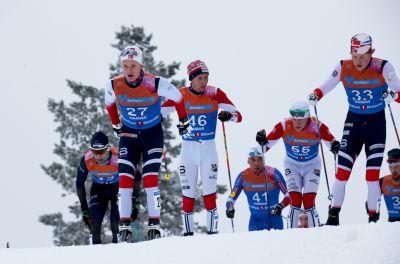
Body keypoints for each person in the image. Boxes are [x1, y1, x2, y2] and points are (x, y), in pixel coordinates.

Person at [307, 33, 400, 225]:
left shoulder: (383, 66)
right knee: (342, 172)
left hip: (376, 125)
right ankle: (333, 217)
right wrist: (315, 95)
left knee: (372, 175)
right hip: (354, 123)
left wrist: (393, 95)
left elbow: (398, 90)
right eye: (355, 56)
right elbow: (327, 85)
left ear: (370, 53)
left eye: (363, 57)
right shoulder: (343, 66)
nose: (358, 61)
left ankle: (372, 218)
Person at [104, 46, 190, 240]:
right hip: (129, 137)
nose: (129, 70)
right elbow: (109, 104)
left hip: (152, 136)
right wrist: (116, 124)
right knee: (124, 181)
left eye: (133, 65)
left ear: (141, 65)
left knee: (150, 180)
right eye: (125, 66)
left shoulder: (155, 82)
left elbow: (178, 97)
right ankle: (124, 224)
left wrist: (184, 121)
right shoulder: (113, 84)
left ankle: (155, 224)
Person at [162, 60, 242, 235]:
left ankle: (212, 233)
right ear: (191, 79)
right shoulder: (180, 94)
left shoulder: (215, 93)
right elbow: (160, 112)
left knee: (209, 193)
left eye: (206, 78)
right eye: (200, 78)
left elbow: (238, 116)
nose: (204, 82)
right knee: (188, 194)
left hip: (208, 150)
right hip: (188, 150)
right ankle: (188, 234)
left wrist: (228, 116)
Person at [256, 101, 340, 228]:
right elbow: (264, 148)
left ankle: (315, 233)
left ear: (308, 117)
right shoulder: (284, 125)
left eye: (301, 120)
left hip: (312, 165)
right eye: (294, 119)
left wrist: (335, 145)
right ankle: (292, 235)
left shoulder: (316, 125)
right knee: (295, 199)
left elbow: (332, 145)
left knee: (308, 200)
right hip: (292, 165)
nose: (297, 123)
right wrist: (261, 140)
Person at [225, 147, 290, 231]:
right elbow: (231, 198)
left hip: (274, 221)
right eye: (253, 160)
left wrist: (281, 205)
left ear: (264, 160)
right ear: (248, 161)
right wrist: (230, 208)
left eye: (259, 159)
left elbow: (289, 194)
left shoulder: (273, 173)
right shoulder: (243, 176)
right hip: (255, 223)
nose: (256, 163)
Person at [76, 132, 119, 244]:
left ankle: (120, 249)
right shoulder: (87, 159)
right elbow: (79, 183)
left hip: (117, 189)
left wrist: (134, 198)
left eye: (101, 152)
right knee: (94, 222)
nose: (98, 155)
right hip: (98, 190)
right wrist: (84, 208)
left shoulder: (118, 157)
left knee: (116, 221)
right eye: (95, 152)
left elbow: (136, 175)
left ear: (108, 148)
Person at [379, 148, 400, 222]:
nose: (393, 170)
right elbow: (373, 201)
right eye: (390, 167)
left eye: (396, 167)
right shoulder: (383, 181)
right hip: (392, 225)